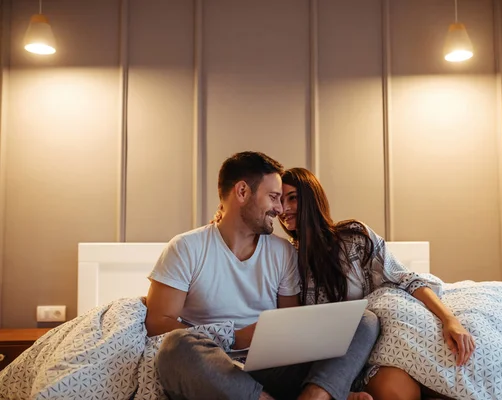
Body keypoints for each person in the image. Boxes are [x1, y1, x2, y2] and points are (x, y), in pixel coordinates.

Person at [145, 152, 380, 400]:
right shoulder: (186, 248)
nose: (279, 209)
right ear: (242, 192)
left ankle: (317, 395)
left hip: (271, 367)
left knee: (364, 320)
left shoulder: (283, 252)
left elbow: (290, 321)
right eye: (273, 197)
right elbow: (158, 322)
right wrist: (235, 338)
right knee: (176, 347)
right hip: (213, 367)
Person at [278, 167, 476, 400]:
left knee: (403, 389)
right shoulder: (286, 256)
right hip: (319, 359)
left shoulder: (354, 238)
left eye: (292, 198)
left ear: (312, 197)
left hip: (366, 351)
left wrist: (449, 319)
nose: (284, 209)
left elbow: (406, 279)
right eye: (279, 201)